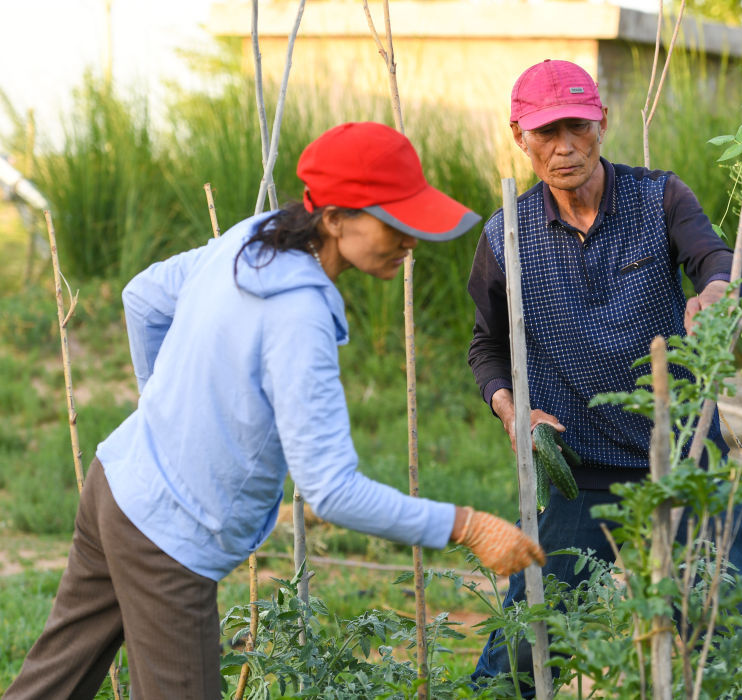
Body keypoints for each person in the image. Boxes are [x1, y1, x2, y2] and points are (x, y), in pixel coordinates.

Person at [3, 122, 545, 700]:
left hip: (116, 483)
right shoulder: (300, 314)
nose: (411, 239)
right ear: (335, 219)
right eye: (395, 222)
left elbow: (142, 297)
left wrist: (159, 411)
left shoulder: (253, 239)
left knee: (48, 688)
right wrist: (466, 525)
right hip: (168, 536)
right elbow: (331, 490)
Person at [467, 60, 742, 692]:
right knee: (530, 642)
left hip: (681, 451)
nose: (564, 146)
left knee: (726, 624)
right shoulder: (505, 235)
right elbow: (487, 347)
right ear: (520, 136)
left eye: (578, 126)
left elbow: (714, 257)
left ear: (603, 122)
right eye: (546, 132)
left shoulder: (659, 198)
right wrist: (513, 409)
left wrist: (715, 292)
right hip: (581, 463)